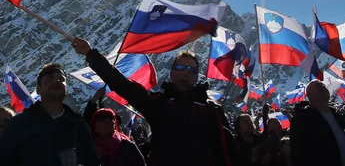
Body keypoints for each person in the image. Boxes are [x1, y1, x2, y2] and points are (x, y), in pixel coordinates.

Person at [72, 37, 234, 166]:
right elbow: (122, 85)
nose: (184, 73)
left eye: (191, 69)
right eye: (179, 68)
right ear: (171, 73)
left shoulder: (211, 110)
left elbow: (226, 153)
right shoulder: (159, 104)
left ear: (197, 76)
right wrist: (91, 54)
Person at [0, 63, 100, 166]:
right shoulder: (19, 125)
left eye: (61, 79)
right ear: (38, 89)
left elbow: (92, 161)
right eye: (50, 78)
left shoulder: (79, 126)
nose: (57, 80)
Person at [290, 80, 345, 166]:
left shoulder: (339, 116)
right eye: (317, 86)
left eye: (323, 85)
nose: (322, 86)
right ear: (309, 95)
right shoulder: (302, 121)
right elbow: (298, 155)